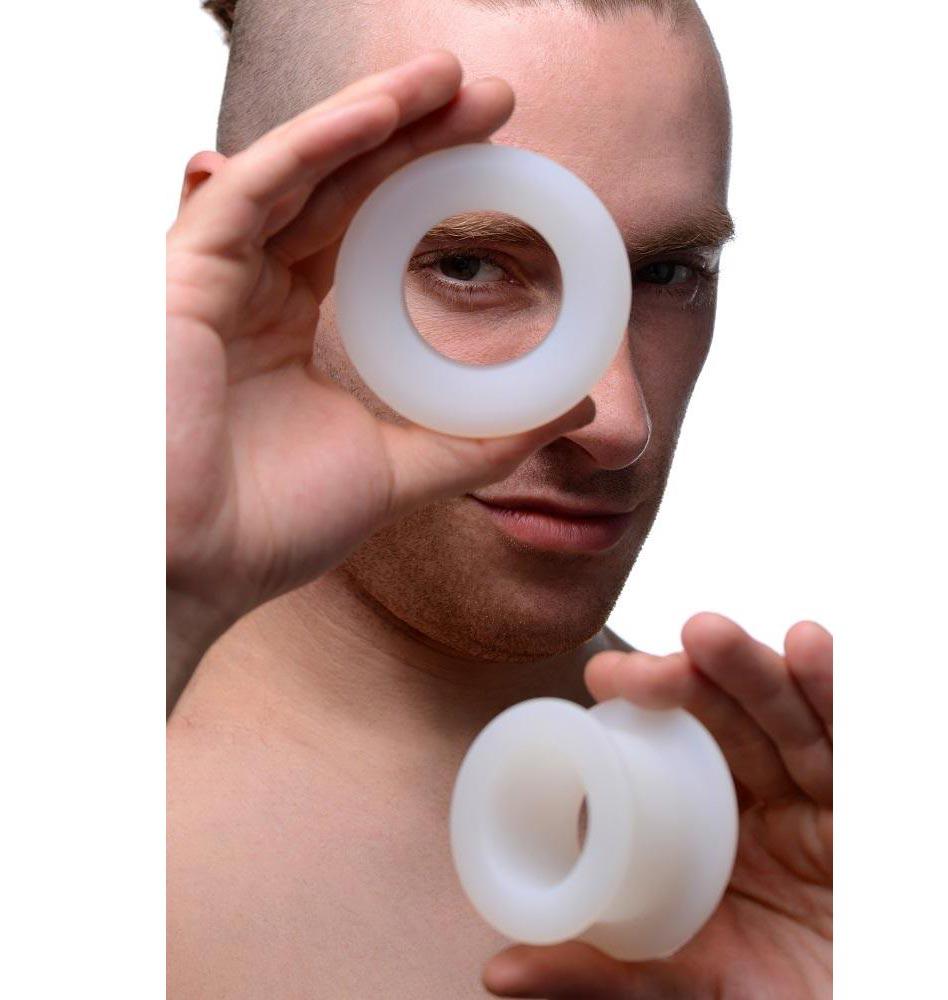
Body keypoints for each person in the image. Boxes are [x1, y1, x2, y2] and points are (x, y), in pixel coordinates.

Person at [167, 0, 833, 996]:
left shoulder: (791, 861)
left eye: (665, 273)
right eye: (470, 266)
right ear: (241, 247)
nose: (619, 420)